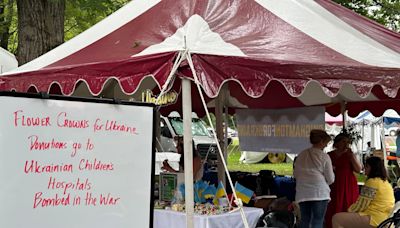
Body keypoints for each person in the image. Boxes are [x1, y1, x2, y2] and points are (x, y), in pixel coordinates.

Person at [332, 156, 395, 227]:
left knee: (337, 218)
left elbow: (362, 205)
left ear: (373, 168)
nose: (364, 169)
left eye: (367, 166)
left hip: (373, 218)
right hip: (384, 218)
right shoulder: (385, 182)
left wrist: (349, 210)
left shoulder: (372, 182)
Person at [294, 129, 334, 228]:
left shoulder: (301, 154)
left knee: (304, 219)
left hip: (303, 192)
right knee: (318, 220)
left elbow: (296, 174)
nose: (326, 145)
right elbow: (331, 179)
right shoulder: (324, 156)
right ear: (321, 142)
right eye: (326, 143)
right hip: (319, 193)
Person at [325, 133, 362, 228]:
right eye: (343, 142)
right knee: (334, 204)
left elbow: (358, 169)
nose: (346, 144)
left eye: (347, 142)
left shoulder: (349, 155)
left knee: (348, 204)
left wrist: (352, 157)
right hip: (334, 182)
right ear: (337, 143)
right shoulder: (329, 155)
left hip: (348, 183)